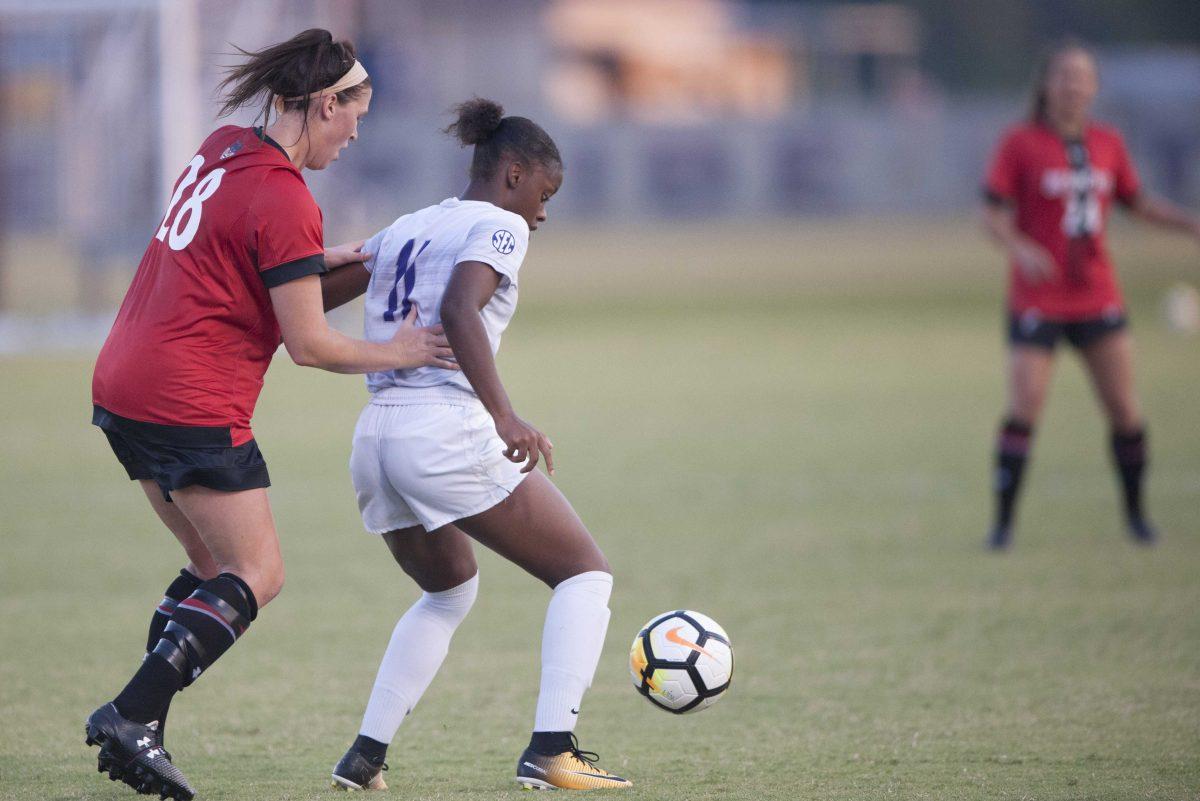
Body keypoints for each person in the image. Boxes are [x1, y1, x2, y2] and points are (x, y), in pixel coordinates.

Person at [84, 30, 456, 801]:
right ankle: (132, 713)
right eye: (354, 113)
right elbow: (310, 344)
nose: (357, 131)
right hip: (188, 397)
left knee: (212, 569)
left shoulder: (226, 147)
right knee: (258, 573)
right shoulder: (287, 197)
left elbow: (234, 251)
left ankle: (143, 723)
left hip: (124, 381)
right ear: (323, 105)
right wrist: (406, 350)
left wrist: (326, 258)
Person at [328, 98, 632, 792]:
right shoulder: (497, 224)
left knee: (448, 590)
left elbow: (311, 296)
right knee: (586, 572)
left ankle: (364, 755)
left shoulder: (410, 224)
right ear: (514, 173)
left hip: (376, 436)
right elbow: (459, 309)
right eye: (544, 193)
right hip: (440, 430)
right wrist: (504, 416)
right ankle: (553, 748)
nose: (542, 213)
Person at [982, 40, 1200, 550]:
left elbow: (1135, 202)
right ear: (1046, 85)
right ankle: (1003, 527)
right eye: (1063, 76)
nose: (1072, 86)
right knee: (1025, 405)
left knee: (1124, 409)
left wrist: (1189, 224)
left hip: (1096, 293)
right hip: (1037, 298)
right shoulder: (1020, 143)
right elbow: (990, 214)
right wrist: (1021, 247)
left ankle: (1138, 519)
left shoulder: (1107, 142)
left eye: (1082, 77)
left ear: (1094, 87)